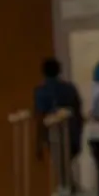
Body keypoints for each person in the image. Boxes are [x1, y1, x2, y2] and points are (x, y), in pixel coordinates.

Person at [34, 58, 85, 188]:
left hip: (54, 135)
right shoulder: (70, 88)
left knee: (62, 169)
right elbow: (79, 112)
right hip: (72, 133)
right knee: (65, 167)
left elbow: (40, 118)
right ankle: (72, 192)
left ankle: (71, 195)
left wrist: (38, 143)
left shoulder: (42, 91)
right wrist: (79, 134)